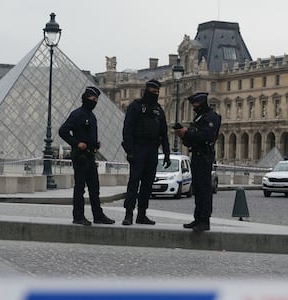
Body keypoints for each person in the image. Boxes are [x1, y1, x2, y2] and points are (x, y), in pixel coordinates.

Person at [59, 86, 115, 226]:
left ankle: (98, 215)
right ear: (85, 98)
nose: (94, 101)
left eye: (96, 99)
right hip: (80, 156)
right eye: (92, 98)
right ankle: (78, 216)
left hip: (90, 155)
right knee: (80, 188)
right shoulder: (77, 114)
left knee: (94, 187)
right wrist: (77, 143)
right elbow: (63, 131)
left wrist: (95, 144)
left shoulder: (92, 116)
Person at [121, 79, 171, 226]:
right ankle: (128, 214)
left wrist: (167, 153)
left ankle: (142, 214)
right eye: (153, 91)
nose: (155, 94)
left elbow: (164, 133)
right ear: (146, 90)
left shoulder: (159, 110)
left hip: (152, 150)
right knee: (134, 183)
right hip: (138, 148)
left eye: (157, 92)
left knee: (147, 185)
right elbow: (127, 130)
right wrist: (130, 151)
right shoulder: (135, 107)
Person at [175, 92, 221, 232]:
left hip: (204, 156)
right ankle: (198, 218)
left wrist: (187, 133)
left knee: (204, 189)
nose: (193, 106)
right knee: (198, 188)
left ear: (201, 102)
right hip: (197, 155)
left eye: (195, 104)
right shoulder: (200, 117)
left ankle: (204, 220)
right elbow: (191, 140)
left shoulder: (211, 117)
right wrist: (183, 135)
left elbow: (205, 136)